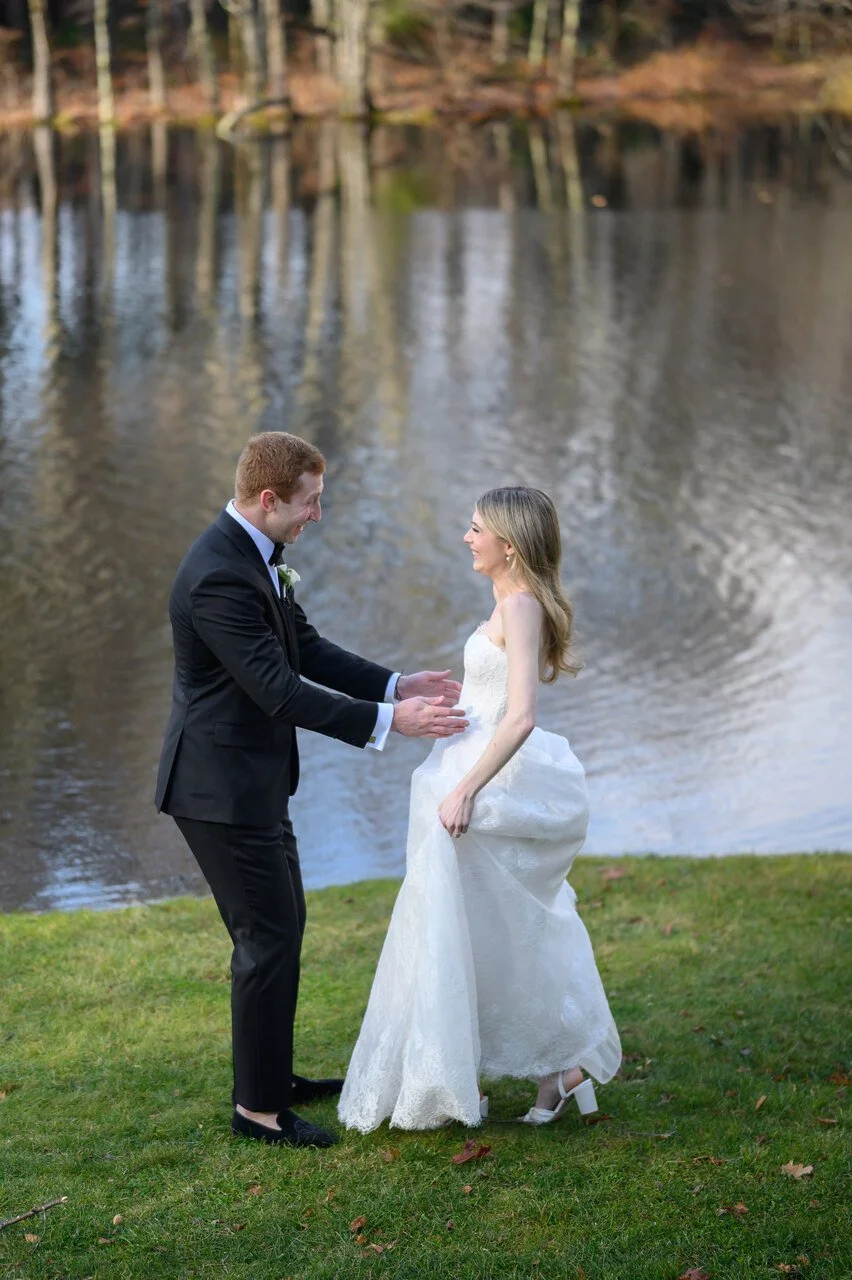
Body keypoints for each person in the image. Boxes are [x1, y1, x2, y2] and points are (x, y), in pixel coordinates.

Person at [155, 432, 467, 1149]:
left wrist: (395, 683)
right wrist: (391, 722)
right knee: (266, 939)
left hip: (252, 784)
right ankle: (257, 1111)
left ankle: (274, 1077)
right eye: (310, 502)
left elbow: (307, 649)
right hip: (217, 790)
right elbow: (276, 689)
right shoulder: (218, 576)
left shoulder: (258, 557)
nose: (317, 515)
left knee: (283, 929)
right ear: (269, 500)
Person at [338, 486, 621, 1132]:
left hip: (488, 786)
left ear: (508, 546)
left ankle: (558, 1066)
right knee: (471, 934)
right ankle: (499, 1069)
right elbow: (492, 696)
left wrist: (466, 789)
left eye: (475, 530)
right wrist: (451, 701)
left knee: (509, 934)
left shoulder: (520, 606)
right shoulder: (505, 600)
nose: (467, 538)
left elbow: (520, 716)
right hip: (461, 765)